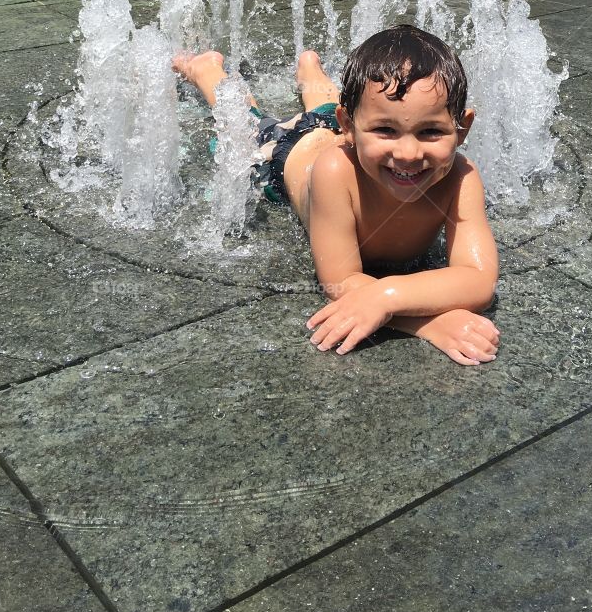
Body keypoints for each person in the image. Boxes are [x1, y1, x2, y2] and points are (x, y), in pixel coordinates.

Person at [174, 25, 500, 366]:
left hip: (334, 125)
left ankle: (310, 70)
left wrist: (385, 297)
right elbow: (340, 283)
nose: (407, 153)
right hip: (287, 154)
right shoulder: (335, 173)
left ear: (462, 128)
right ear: (350, 129)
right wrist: (430, 322)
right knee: (243, 120)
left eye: (430, 131)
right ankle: (206, 70)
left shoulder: (461, 178)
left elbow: (478, 280)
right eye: (386, 130)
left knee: (328, 109)